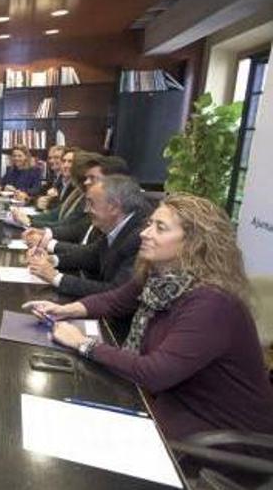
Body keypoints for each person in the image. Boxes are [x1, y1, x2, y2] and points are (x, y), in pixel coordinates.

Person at [24, 194, 273, 441]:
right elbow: (114, 300)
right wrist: (65, 310)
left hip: (217, 433)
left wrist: (82, 343)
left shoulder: (213, 303)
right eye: (149, 224)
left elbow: (154, 373)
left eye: (160, 228)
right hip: (170, 404)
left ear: (194, 243)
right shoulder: (160, 275)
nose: (145, 233)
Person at [27, 175, 148, 337]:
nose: (86, 210)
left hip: (120, 331)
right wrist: (53, 260)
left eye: (91, 203)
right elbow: (92, 254)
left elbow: (115, 292)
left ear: (113, 207)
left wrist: (56, 277)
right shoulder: (117, 223)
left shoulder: (141, 237)